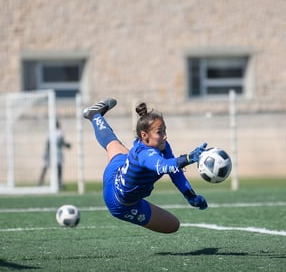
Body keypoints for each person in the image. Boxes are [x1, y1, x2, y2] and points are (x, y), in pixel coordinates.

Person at [83, 98, 208, 234]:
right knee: (173, 225)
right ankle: (94, 115)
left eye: (165, 131)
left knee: (112, 144)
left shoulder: (162, 146)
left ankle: (94, 114)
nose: (165, 136)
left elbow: (175, 172)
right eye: (160, 132)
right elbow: (164, 166)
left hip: (117, 168)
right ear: (144, 135)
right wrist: (189, 158)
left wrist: (190, 195)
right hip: (120, 203)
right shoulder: (144, 155)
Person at [38, 120, 71, 190]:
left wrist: (46, 152)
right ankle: (59, 183)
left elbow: (48, 143)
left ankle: (41, 182)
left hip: (51, 152)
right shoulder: (59, 132)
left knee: (46, 167)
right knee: (58, 168)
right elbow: (61, 141)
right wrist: (67, 145)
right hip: (56, 153)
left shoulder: (50, 133)